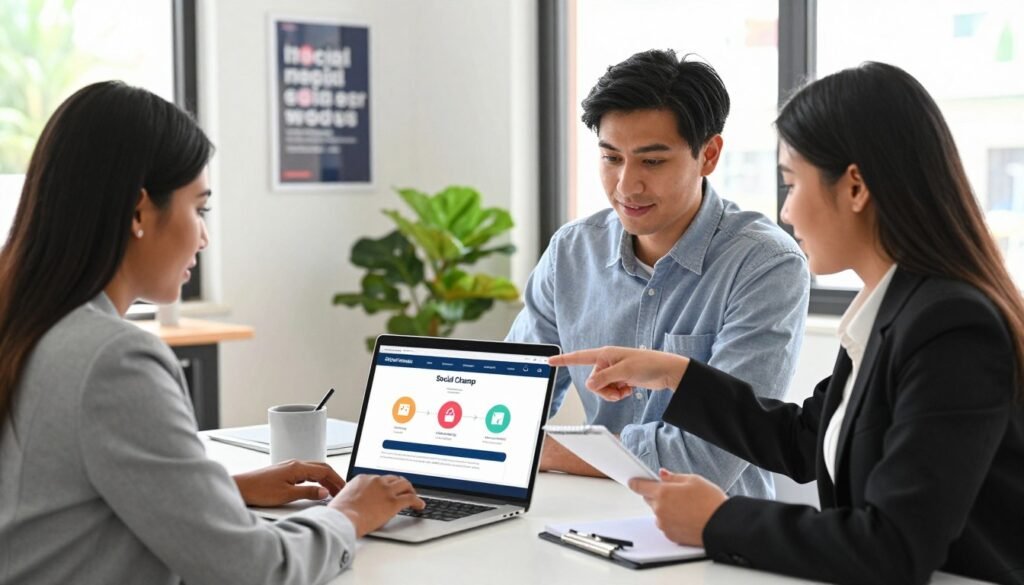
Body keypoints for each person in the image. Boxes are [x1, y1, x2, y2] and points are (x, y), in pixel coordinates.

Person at [551, 62, 1024, 585]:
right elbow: (804, 441)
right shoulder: (890, 307)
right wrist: (677, 374)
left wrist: (717, 521)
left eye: (791, 183)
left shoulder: (951, 328)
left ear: (855, 188)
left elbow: (894, 546)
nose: (788, 212)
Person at [0, 81, 424, 585]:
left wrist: (221, 488)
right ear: (138, 211)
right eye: (199, 208)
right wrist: (350, 514)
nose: (204, 237)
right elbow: (252, 570)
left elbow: (58, 500)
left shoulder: (30, 323)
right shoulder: (113, 358)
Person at [507, 49, 808, 498]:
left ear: (708, 154)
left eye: (652, 161)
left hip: (718, 540)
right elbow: (509, 407)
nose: (627, 186)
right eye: (611, 158)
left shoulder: (764, 264)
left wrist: (544, 451)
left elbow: (705, 462)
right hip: (585, 518)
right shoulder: (571, 251)